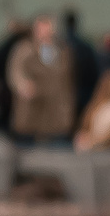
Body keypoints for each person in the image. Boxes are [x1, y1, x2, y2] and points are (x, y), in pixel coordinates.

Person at [8, 13, 78, 146]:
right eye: (40, 28)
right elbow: (15, 72)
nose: (44, 32)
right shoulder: (25, 49)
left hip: (56, 111)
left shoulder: (62, 51)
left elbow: (67, 80)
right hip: (31, 111)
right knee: (27, 155)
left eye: (47, 28)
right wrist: (22, 85)